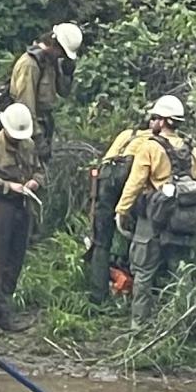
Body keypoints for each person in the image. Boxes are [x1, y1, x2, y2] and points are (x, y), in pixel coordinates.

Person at [116, 94, 196, 323]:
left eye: (155, 117)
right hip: (182, 221)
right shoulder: (194, 151)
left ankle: (139, 324)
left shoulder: (150, 148)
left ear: (164, 120)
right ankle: (180, 321)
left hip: (152, 218)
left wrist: (122, 209)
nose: (152, 121)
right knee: (181, 273)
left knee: (143, 272)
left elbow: (135, 183)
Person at [0, 100, 43, 330]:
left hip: (24, 206)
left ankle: (4, 311)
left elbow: (40, 170)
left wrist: (35, 182)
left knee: (16, 259)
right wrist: (7, 186)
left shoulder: (28, 145)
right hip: (0, 206)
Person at [84, 110, 149, 300]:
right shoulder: (152, 142)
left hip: (105, 180)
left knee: (101, 242)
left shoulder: (126, 134)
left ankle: (98, 296)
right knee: (137, 237)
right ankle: (134, 290)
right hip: (128, 182)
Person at [8, 22, 83, 156]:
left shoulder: (50, 62)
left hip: (45, 123)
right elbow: (25, 106)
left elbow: (63, 92)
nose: (61, 56)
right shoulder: (30, 65)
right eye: (61, 53)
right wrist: (38, 139)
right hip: (29, 130)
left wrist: (67, 73)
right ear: (54, 44)